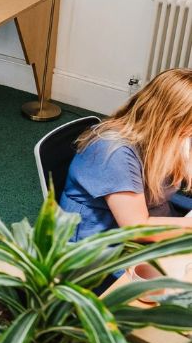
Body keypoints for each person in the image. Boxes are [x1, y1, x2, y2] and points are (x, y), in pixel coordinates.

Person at [59, 68, 192, 244]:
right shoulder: (114, 153)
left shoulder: (168, 141)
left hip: (153, 215)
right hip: (97, 244)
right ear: (173, 121)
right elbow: (136, 229)